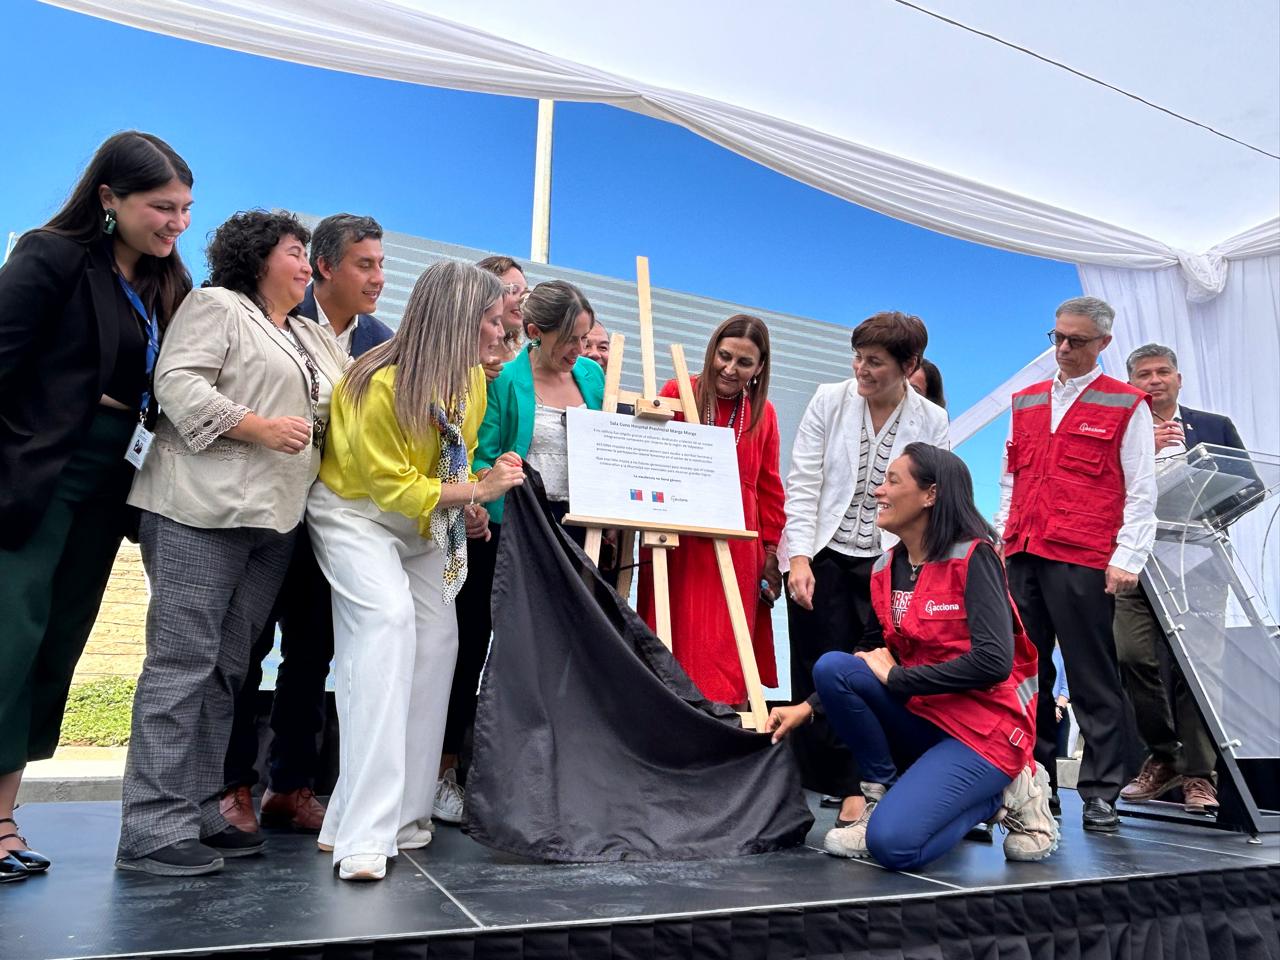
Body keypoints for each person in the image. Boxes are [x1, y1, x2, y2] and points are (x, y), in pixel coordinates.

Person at [116, 211, 349, 877]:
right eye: (295, 252)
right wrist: (256, 425)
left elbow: (353, 402)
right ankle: (150, 825)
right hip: (198, 509)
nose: (306, 265)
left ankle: (200, 810)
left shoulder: (308, 334)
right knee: (181, 663)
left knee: (226, 669)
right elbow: (177, 382)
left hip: (272, 522)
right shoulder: (218, 306)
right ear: (257, 258)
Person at [0, 132, 194, 880]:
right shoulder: (51, 257)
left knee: (55, 644)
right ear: (109, 198)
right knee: (10, 635)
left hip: (113, 484)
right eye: (161, 207)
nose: (176, 223)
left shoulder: (167, 283)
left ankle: (4, 817)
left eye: (185, 208)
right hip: (36, 474)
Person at [305, 260, 523, 881]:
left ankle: (402, 816)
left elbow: (450, 466)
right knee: (388, 626)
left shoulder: (472, 380)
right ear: (457, 320)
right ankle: (362, 836)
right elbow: (391, 486)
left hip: (420, 524)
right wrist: (478, 491)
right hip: (355, 515)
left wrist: (470, 498)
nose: (500, 331)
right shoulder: (377, 383)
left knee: (437, 646)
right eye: (490, 319)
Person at [769, 443, 1056, 869]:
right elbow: (868, 651)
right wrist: (809, 708)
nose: (878, 491)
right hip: (925, 718)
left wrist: (899, 680)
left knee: (894, 846)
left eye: (892, 481)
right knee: (833, 668)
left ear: (930, 494)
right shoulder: (885, 567)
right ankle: (878, 798)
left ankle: (1004, 795)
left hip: (984, 733)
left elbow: (994, 662)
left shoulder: (974, 556)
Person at [220, 214, 393, 834]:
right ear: (324, 267)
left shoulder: (382, 341)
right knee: (248, 645)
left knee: (313, 651)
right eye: (364, 264)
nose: (378, 277)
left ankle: (291, 786)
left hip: (336, 520)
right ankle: (233, 785)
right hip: (266, 510)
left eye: (381, 264)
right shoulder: (275, 320)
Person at [434, 280, 604, 824]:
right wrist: (492, 484)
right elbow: (479, 457)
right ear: (534, 332)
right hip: (510, 530)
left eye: (585, 338)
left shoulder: (592, 378)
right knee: (475, 646)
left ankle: (543, 774)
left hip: (573, 532)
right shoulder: (506, 381)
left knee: (556, 652)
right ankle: (445, 770)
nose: (579, 350)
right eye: (569, 339)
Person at [779, 311, 949, 829]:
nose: (862, 370)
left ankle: (859, 784)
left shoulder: (930, 420)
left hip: (887, 562)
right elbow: (804, 482)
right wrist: (799, 557)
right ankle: (814, 784)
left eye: (875, 362)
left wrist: (917, 571)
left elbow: (930, 499)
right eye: (858, 358)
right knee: (815, 667)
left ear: (909, 365)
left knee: (870, 670)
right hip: (823, 554)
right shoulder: (829, 399)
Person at [995, 296, 1156, 833]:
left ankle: (1102, 790)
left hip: (1084, 555)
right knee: (1028, 673)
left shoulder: (1126, 403)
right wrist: (1002, 537)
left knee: (1091, 674)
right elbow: (1010, 478)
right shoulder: (1025, 401)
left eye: (1077, 340)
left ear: (1103, 343)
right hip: (1023, 551)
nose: (1063, 348)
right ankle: (1035, 782)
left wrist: (1128, 556)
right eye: (1058, 337)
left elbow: (1141, 489)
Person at [1115, 343, 1245, 814]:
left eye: (1163, 372)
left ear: (1178, 378)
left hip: (1200, 563)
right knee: (1132, 656)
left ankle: (1198, 777)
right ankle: (1166, 755)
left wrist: (1204, 495)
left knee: (1201, 670)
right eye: (1144, 374)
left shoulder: (1214, 426)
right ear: (1131, 383)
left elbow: (1245, 486)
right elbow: (1100, 494)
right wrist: (1143, 453)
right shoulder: (1119, 432)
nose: (1155, 380)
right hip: (1138, 563)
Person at [635, 314, 786, 704]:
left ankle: (723, 726)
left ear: (759, 368)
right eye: (725, 356)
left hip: (738, 544)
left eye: (744, 362)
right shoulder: (677, 392)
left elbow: (769, 487)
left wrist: (771, 551)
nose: (730, 369)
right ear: (712, 351)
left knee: (726, 648)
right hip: (679, 540)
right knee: (674, 635)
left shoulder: (764, 413)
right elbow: (649, 460)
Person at [477, 255, 528, 381]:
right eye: (514, 290)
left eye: (525, 293)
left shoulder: (521, 358)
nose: (522, 300)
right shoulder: (456, 356)